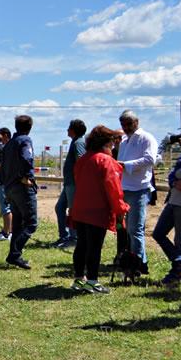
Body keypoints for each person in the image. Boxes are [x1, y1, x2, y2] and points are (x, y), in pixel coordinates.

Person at [69, 126, 128, 293]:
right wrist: (121, 209)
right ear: (107, 142)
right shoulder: (106, 161)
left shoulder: (83, 159)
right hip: (97, 210)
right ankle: (93, 281)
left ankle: (79, 279)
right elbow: (113, 189)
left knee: (81, 245)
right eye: (113, 141)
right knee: (94, 246)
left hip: (80, 208)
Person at [116, 110, 158, 275]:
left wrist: (126, 165)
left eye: (128, 124)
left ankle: (139, 265)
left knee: (135, 229)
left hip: (139, 189)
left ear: (136, 122)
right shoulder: (125, 141)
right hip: (125, 188)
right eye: (123, 125)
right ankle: (138, 262)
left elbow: (150, 160)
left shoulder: (146, 138)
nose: (126, 128)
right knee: (128, 230)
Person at [0, 115, 38, 270]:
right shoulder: (25, 141)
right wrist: (27, 177)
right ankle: (14, 254)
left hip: (9, 188)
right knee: (31, 223)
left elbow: (3, 167)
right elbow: (26, 158)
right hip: (21, 187)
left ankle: (14, 255)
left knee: (18, 224)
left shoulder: (8, 144)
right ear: (30, 127)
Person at [153, 134, 181, 286]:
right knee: (158, 233)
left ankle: (178, 273)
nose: (180, 144)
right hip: (173, 201)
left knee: (180, 240)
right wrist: (176, 182)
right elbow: (172, 177)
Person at [55, 119, 87, 248]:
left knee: (73, 211)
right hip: (69, 183)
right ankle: (64, 236)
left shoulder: (79, 142)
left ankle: (74, 238)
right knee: (60, 208)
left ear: (74, 130)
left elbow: (81, 160)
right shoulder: (76, 141)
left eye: (69, 128)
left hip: (74, 184)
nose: (67, 130)